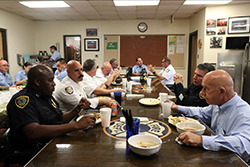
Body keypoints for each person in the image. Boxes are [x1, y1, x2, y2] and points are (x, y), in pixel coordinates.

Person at [7, 65, 95, 165]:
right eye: (50, 80)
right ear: (37, 82)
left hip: (54, 141)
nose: (54, 84)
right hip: (36, 152)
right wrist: (76, 125)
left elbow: (58, 118)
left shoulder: (45, 95)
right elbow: (33, 132)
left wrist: (76, 109)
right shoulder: (23, 101)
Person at [170, 70, 250, 162]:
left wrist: (201, 140)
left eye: (206, 89)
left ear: (221, 91)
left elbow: (244, 144)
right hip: (218, 156)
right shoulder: (218, 104)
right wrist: (177, 108)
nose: (202, 93)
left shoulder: (244, 114)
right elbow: (201, 112)